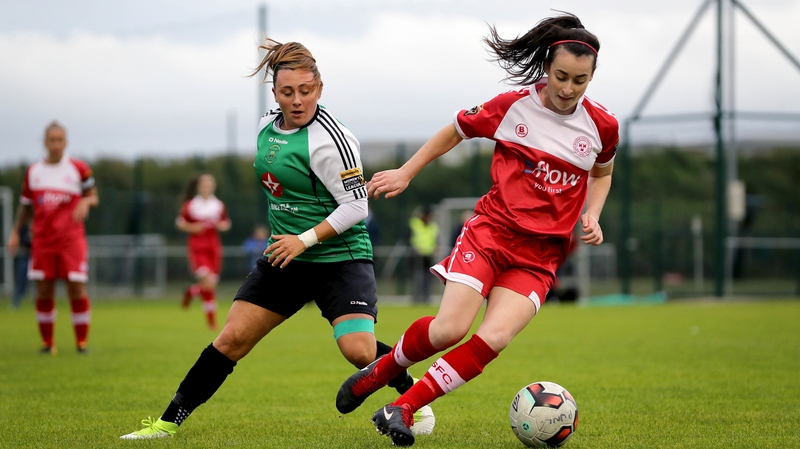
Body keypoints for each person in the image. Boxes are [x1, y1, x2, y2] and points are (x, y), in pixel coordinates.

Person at [121, 38, 433, 440]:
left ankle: (415, 400)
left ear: (319, 89)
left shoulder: (334, 141)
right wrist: (294, 242)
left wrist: (303, 239)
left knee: (357, 350)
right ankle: (165, 425)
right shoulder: (266, 124)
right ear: (275, 93)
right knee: (231, 338)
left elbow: (356, 208)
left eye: (306, 91)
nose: (297, 100)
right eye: (288, 92)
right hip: (287, 257)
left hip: (341, 256)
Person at [336, 13, 617, 446]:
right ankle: (384, 368)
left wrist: (593, 213)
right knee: (450, 329)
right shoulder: (512, 106)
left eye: (580, 80)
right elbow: (455, 130)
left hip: (541, 255)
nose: (568, 88)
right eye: (561, 76)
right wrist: (407, 172)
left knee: (496, 336)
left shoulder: (602, 126)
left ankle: (403, 406)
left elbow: (602, 172)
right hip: (491, 235)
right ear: (546, 66)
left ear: (592, 77)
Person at [5, 121, 99, 354]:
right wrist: (16, 231)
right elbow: (26, 206)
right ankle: (47, 343)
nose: (56, 144)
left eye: (60, 140)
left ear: (66, 142)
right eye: (52, 140)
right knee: (44, 289)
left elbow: (93, 196)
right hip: (43, 240)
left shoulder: (79, 168)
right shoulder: (33, 172)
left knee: (76, 287)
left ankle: (81, 342)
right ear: (45, 142)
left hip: (71, 239)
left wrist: (86, 201)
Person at [177, 173, 232, 329]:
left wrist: (221, 225)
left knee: (211, 285)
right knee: (208, 282)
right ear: (198, 187)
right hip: (197, 246)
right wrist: (193, 227)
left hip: (213, 246)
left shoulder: (218, 205)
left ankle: (191, 291)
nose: (207, 187)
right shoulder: (191, 205)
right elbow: (180, 223)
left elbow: (226, 223)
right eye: (204, 185)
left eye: (209, 185)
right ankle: (212, 321)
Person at [408, 205, 439, 304]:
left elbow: (436, 240)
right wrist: (414, 248)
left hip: (428, 256)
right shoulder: (414, 224)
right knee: (417, 277)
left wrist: (436, 248)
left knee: (428, 278)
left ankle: (426, 297)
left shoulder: (434, 226)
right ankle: (416, 297)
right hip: (417, 256)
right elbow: (408, 238)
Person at [10, 222, 31, 309]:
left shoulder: (40, 223)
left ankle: (37, 303)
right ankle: (16, 302)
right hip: (25, 254)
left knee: (39, 281)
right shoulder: (22, 226)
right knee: (20, 280)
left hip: (36, 255)